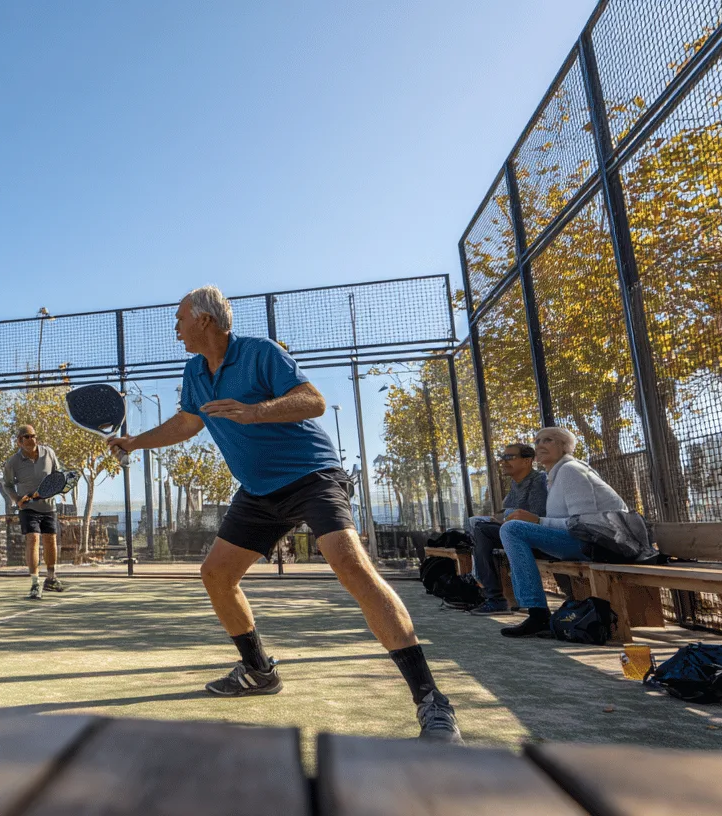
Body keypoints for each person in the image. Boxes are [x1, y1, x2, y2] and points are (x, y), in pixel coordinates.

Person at [107, 285, 461, 742]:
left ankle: (433, 702)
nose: (175, 329)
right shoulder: (194, 370)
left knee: (352, 567)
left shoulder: (260, 353)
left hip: (312, 476)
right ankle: (258, 671)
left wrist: (255, 412)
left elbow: (312, 401)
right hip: (258, 491)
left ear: (204, 320)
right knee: (216, 574)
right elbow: (189, 422)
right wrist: (134, 442)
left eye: (180, 319)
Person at [499, 427, 629, 638]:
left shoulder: (571, 470)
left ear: (564, 447)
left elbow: (584, 524)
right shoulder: (554, 476)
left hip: (600, 544)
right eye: (538, 440)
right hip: (586, 541)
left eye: (548, 440)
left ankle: (537, 614)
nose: (540, 445)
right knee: (511, 525)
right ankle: (553, 607)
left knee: (512, 529)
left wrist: (538, 521)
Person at [466, 443, 548, 616]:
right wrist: (502, 517)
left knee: (482, 530)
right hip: (515, 534)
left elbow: (537, 515)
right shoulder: (516, 483)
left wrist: (506, 517)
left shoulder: (538, 481)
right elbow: (504, 512)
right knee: (475, 524)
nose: (503, 462)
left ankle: (494, 598)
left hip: (540, 537)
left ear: (527, 461)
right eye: (502, 458)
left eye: (509, 457)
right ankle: (484, 589)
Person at [0, 424, 65, 600]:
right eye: (27, 437)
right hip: (28, 508)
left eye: (33, 436)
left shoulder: (49, 453)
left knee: (50, 541)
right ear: (19, 441)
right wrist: (17, 499)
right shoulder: (13, 462)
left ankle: (51, 578)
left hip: (49, 507)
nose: (31, 439)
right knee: (33, 539)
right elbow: (6, 484)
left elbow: (58, 476)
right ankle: (35, 583)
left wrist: (55, 491)